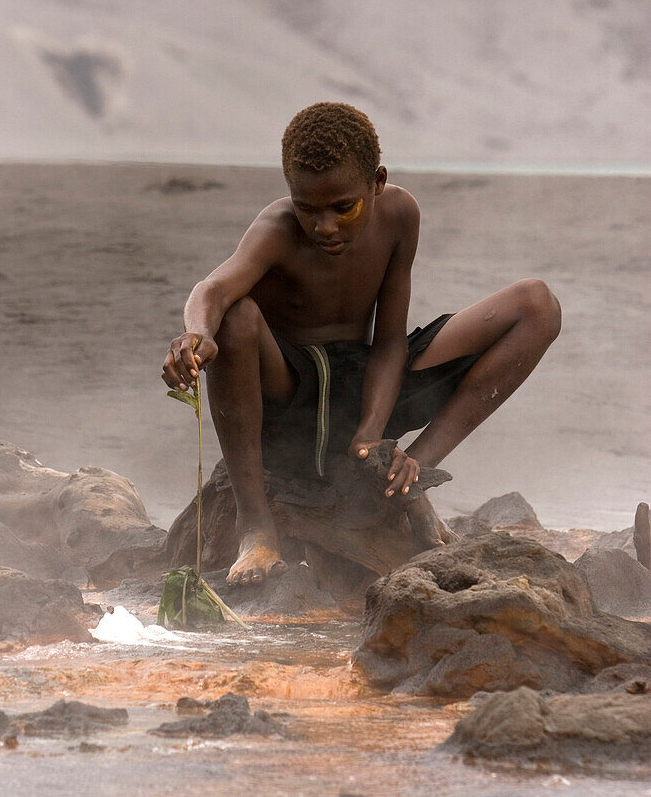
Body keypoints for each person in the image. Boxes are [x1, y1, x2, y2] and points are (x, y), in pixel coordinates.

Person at [162, 103, 561, 586]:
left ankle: (412, 476)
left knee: (537, 306)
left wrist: (371, 433)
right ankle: (256, 528)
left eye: (342, 208)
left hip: (369, 381)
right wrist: (197, 335)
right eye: (308, 208)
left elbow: (391, 341)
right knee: (237, 318)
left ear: (377, 182)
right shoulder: (277, 229)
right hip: (294, 399)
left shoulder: (399, 214)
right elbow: (213, 290)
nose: (324, 226)